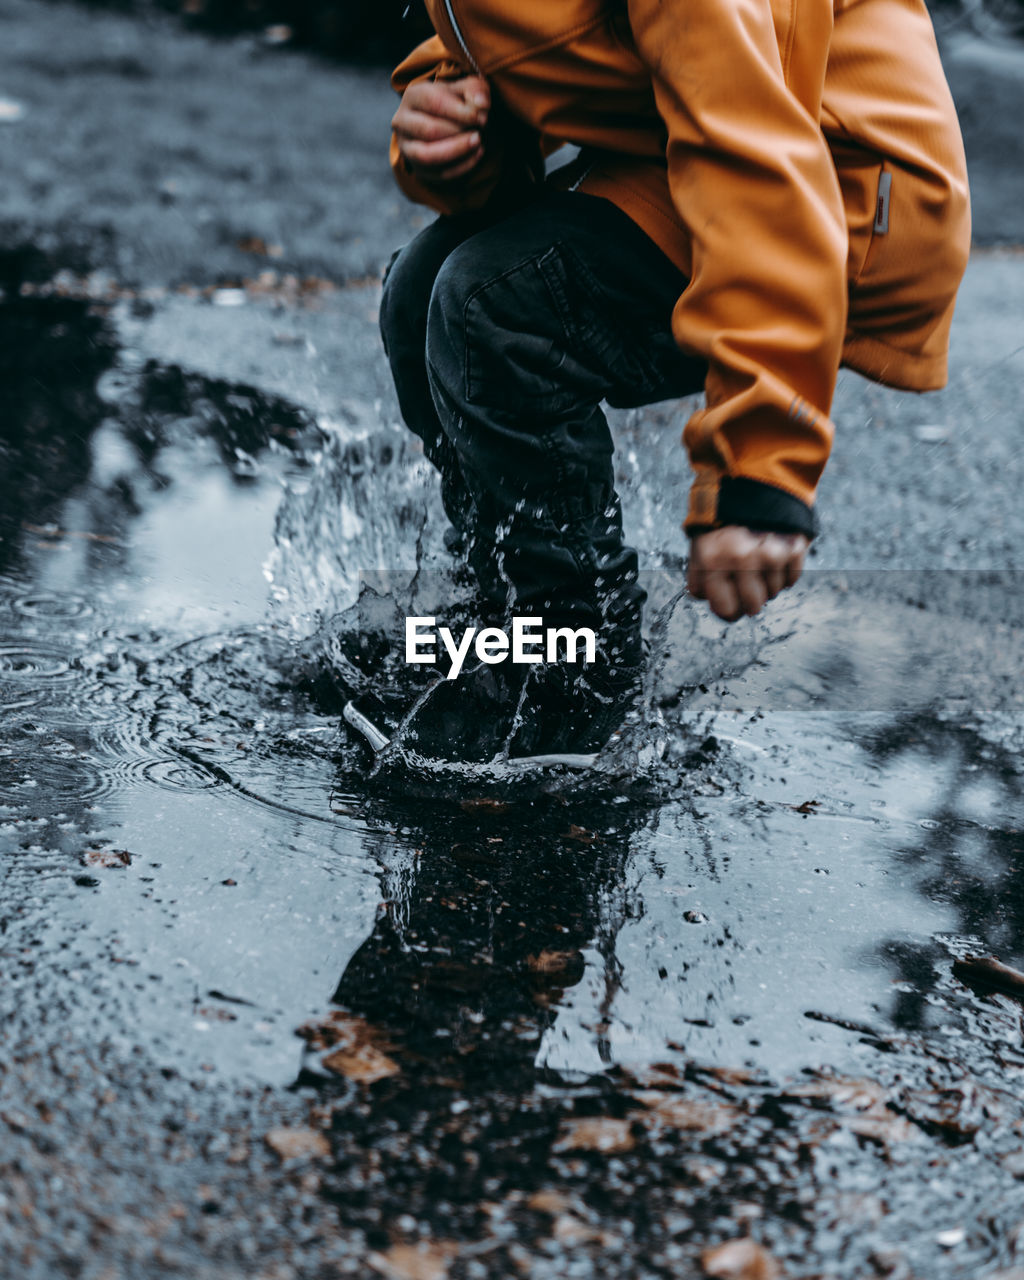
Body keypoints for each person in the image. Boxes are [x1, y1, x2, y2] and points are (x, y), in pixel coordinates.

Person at [373, 0, 970, 765]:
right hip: (678, 147)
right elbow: (523, 49)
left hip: (838, 186)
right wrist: (457, 135)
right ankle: (502, 626)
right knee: (419, 288)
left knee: (497, 300)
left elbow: (759, 165)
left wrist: (762, 463)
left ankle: (578, 676)